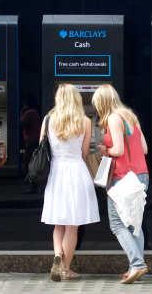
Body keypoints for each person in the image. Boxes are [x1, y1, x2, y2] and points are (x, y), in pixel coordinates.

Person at [41, 84, 100, 281]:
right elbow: (84, 153)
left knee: (58, 224)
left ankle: (58, 255)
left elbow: (43, 146)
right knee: (72, 226)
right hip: (76, 172)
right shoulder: (84, 121)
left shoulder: (48, 120)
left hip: (56, 173)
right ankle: (65, 269)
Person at [92, 84, 150, 284]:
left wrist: (103, 149)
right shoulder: (131, 116)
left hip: (123, 176)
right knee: (135, 224)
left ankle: (137, 264)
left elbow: (117, 150)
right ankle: (134, 267)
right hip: (141, 174)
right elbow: (144, 148)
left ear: (102, 102)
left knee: (117, 224)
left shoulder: (114, 118)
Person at [20, 97, 41, 193]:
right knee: (33, 162)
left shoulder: (29, 113)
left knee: (28, 162)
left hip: (30, 140)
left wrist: (22, 111)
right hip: (35, 139)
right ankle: (34, 186)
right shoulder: (35, 112)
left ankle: (32, 186)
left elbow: (21, 123)